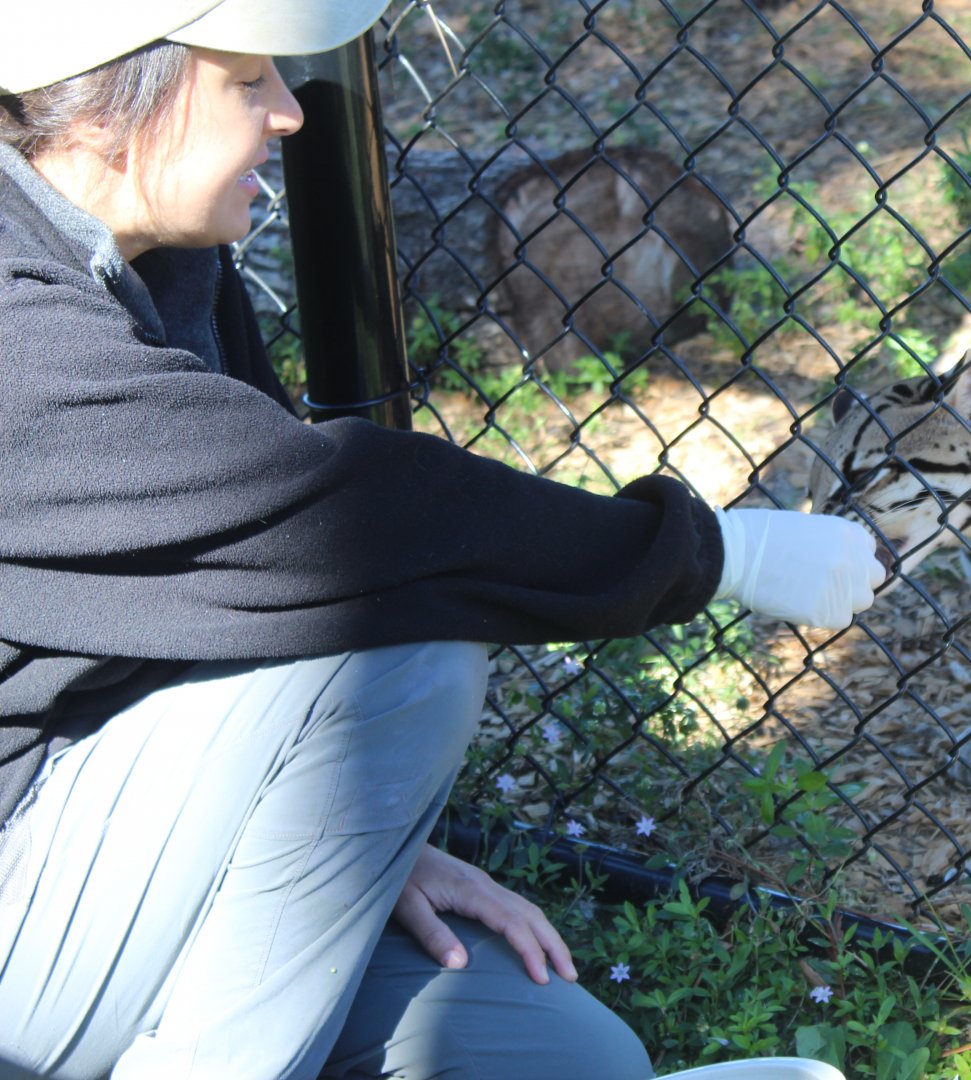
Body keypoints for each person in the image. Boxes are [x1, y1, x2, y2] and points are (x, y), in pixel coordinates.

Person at [0, 2, 884, 1077]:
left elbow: (210, 599)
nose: (287, 113)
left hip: (87, 840)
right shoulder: (22, 346)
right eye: (245, 83)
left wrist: (363, 836)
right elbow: (355, 525)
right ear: (102, 105)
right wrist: (714, 557)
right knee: (400, 658)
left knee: (568, 1056)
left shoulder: (157, 261)